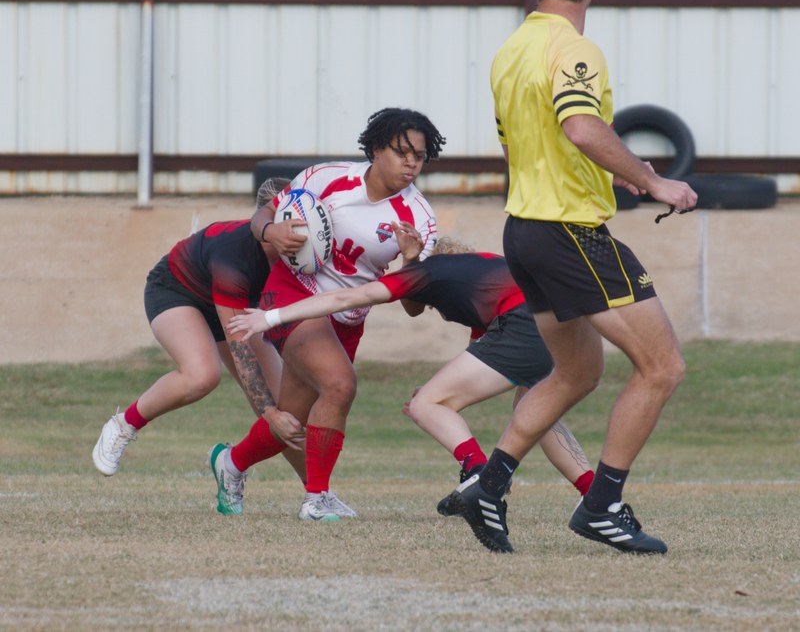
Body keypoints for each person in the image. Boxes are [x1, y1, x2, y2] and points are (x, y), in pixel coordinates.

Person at [447, 0, 698, 554]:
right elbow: (581, 126)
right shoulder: (574, 47)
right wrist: (652, 179)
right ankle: (603, 504)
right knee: (663, 367)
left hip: (524, 230)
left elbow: (518, 148)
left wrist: (605, 173)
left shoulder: (510, 51)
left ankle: (488, 484)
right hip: (569, 232)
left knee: (575, 372)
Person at [227, 237, 596, 513]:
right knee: (537, 410)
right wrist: (442, 387)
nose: (431, 308)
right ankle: (593, 495)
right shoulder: (484, 272)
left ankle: (483, 479)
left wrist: (271, 316)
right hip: (562, 316)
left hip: (524, 321)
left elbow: (348, 298)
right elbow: (483, 354)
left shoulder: (427, 272)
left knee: (425, 405)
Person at [208, 107, 446, 521]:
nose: (411, 163)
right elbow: (264, 214)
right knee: (339, 385)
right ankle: (317, 499)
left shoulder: (421, 219)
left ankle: (230, 463)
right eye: (402, 151)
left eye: (420, 156)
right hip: (293, 293)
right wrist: (271, 231)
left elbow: (412, 307)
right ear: (375, 149)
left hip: (347, 319)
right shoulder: (327, 177)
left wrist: (410, 263)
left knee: (293, 424)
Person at [92, 178, 308, 516]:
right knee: (202, 375)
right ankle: (125, 423)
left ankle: (313, 493)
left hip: (233, 307)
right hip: (177, 291)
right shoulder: (235, 258)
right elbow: (241, 351)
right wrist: (270, 414)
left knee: (290, 408)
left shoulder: (300, 252)